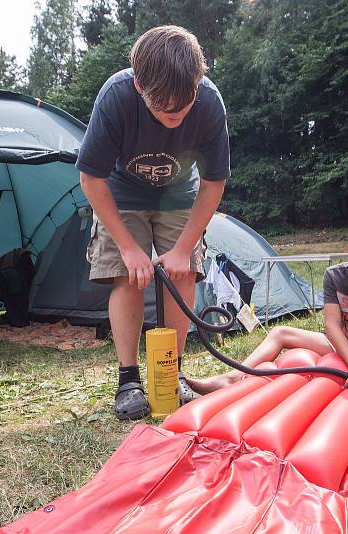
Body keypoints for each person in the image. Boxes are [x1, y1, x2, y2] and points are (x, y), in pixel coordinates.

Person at [77, 26, 230, 420]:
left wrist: (183, 250)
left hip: (180, 196)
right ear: (140, 84)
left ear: (198, 79)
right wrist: (129, 248)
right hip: (121, 194)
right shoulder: (116, 97)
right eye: (164, 111)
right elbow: (91, 179)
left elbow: (214, 182)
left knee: (184, 275)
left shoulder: (209, 103)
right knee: (129, 276)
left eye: (184, 107)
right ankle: (128, 379)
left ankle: (172, 373)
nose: (175, 118)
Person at [187, 215, 348, 410]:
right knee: (281, 331)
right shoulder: (335, 275)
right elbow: (333, 327)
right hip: (343, 343)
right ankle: (232, 377)